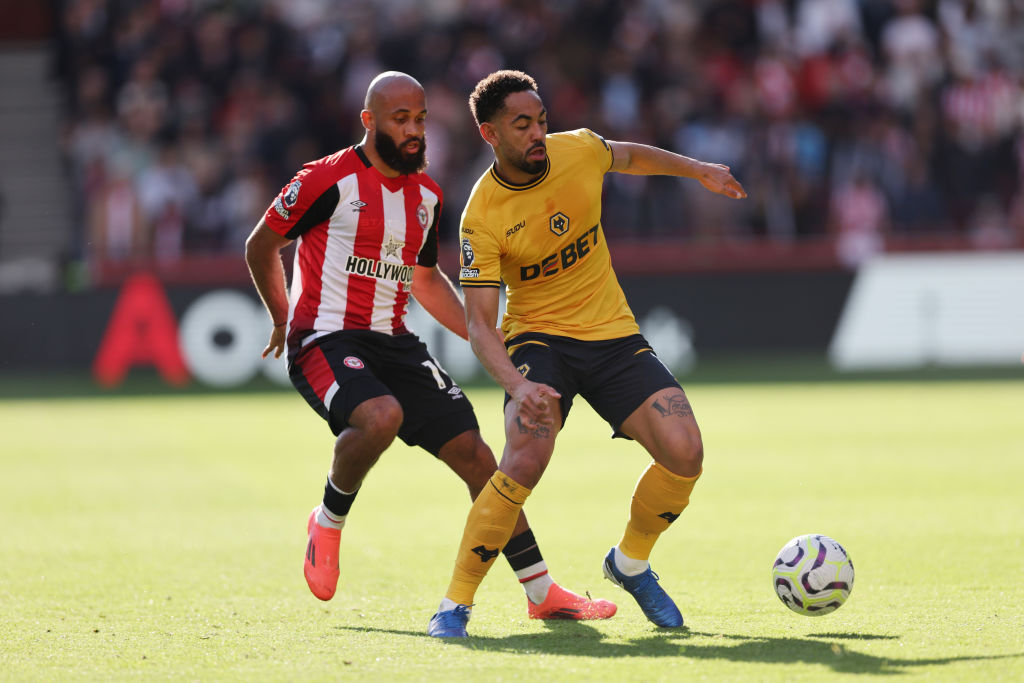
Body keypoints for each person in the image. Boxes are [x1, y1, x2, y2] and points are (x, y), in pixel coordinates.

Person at [245, 71, 616, 620]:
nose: (415, 129)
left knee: (478, 457)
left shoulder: (427, 195)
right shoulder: (328, 179)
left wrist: (485, 334)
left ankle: (541, 593)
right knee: (380, 415)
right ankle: (328, 520)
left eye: (420, 118)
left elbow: (424, 281)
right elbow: (261, 245)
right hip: (324, 337)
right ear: (369, 121)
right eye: (401, 119)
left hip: (395, 341)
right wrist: (282, 316)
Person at [427, 70, 747, 637]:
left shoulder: (578, 150)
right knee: (524, 458)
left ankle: (630, 564)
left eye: (541, 121)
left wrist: (697, 170)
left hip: (613, 335)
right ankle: (455, 605)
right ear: (489, 133)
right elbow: (479, 325)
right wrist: (518, 386)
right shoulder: (482, 214)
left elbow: (631, 156)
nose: (537, 134)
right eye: (522, 125)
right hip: (539, 340)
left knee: (686, 452)